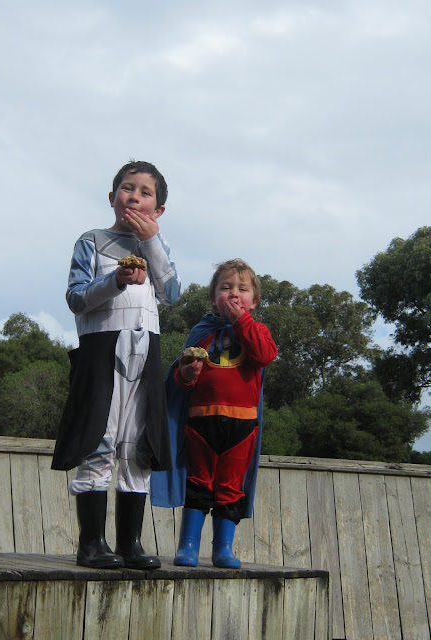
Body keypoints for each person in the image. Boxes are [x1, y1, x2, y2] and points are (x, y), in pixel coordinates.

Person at [52, 160, 181, 571]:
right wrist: (116, 281)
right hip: (101, 352)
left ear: (158, 209)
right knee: (99, 439)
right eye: (128, 188)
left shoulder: (156, 248)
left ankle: (131, 544)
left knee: (139, 447)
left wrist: (152, 243)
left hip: (145, 355)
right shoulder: (92, 241)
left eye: (146, 192)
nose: (135, 197)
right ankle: (91, 544)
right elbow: (76, 298)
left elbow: (172, 294)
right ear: (112, 198)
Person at [151, 259, 277, 568]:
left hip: (243, 425)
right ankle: (188, 546)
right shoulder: (201, 332)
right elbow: (180, 379)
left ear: (254, 301)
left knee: (230, 486)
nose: (234, 294)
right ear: (213, 298)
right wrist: (186, 373)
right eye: (226, 287)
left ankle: (223, 549)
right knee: (198, 482)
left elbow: (264, 355)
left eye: (242, 289)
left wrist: (241, 322)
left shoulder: (257, 330)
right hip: (201, 421)